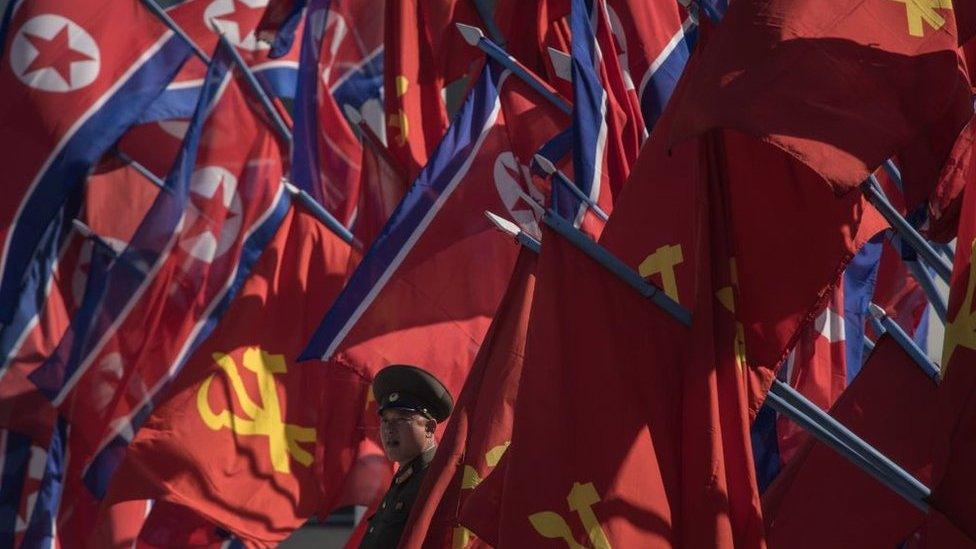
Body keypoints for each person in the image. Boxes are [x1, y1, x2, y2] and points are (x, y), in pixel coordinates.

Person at [359, 364, 454, 548]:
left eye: (401, 419)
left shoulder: (436, 481)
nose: (388, 429)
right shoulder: (403, 482)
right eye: (385, 420)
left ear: (429, 428)